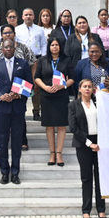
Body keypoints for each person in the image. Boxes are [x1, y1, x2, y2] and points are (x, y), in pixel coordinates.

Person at [0, 25, 35, 150]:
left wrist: (30, 81)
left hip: (20, 89)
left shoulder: (23, 47)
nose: (8, 35)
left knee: (20, 115)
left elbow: (33, 61)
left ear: (14, 33)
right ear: (1, 35)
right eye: (5, 33)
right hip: (1, 89)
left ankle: (23, 141)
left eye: (10, 32)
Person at [0, 39, 33, 185]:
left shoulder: (23, 64)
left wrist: (19, 94)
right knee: (2, 141)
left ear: (14, 48)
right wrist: (0, 95)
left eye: (10, 47)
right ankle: (4, 172)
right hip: (2, 108)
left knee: (17, 141)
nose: (8, 49)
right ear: (2, 48)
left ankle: (15, 172)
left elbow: (29, 85)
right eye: (5, 47)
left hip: (18, 108)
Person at [69, 79, 107, 218]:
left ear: (93, 89)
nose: (87, 89)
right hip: (83, 143)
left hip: (99, 142)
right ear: (79, 89)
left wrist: (99, 142)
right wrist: (89, 143)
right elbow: (73, 128)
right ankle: (86, 210)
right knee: (86, 178)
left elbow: (105, 122)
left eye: (89, 87)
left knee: (100, 178)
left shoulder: (99, 104)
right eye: (84, 86)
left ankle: (101, 209)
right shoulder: (73, 105)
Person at [34, 37, 74, 166]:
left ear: (60, 47)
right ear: (49, 47)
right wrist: (45, 87)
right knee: (49, 126)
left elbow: (72, 78)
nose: (55, 47)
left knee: (61, 126)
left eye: (57, 45)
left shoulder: (67, 60)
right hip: (46, 96)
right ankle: (52, 153)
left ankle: (59, 153)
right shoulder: (42, 60)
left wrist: (63, 86)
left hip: (61, 96)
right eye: (52, 45)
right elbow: (37, 78)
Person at [15, 8, 47, 121]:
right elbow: (15, 46)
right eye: (26, 15)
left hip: (36, 60)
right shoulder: (17, 29)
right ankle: (20, 111)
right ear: (22, 17)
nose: (28, 16)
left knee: (36, 86)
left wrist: (43, 58)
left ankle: (36, 111)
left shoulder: (39, 29)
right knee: (21, 86)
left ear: (34, 16)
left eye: (30, 15)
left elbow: (43, 44)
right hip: (21, 61)